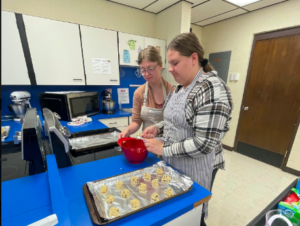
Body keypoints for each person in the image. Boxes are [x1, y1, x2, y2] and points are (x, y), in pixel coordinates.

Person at [142, 32, 233, 226]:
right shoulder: (180, 87)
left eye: (175, 63)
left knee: (192, 215)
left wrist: (163, 149)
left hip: (199, 165)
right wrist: (157, 129)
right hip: (177, 161)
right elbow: (175, 121)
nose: (171, 69)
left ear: (194, 58)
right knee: (180, 214)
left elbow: (204, 143)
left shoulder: (211, 89)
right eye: (170, 64)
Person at [118, 46, 173, 139]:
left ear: (160, 65)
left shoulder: (173, 91)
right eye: (143, 70)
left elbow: (175, 122)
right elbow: (136, 122)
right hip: (147, 144)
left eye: (150, 68)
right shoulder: (139, 92)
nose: (146, 74)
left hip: (168, 145)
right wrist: (126, 131)